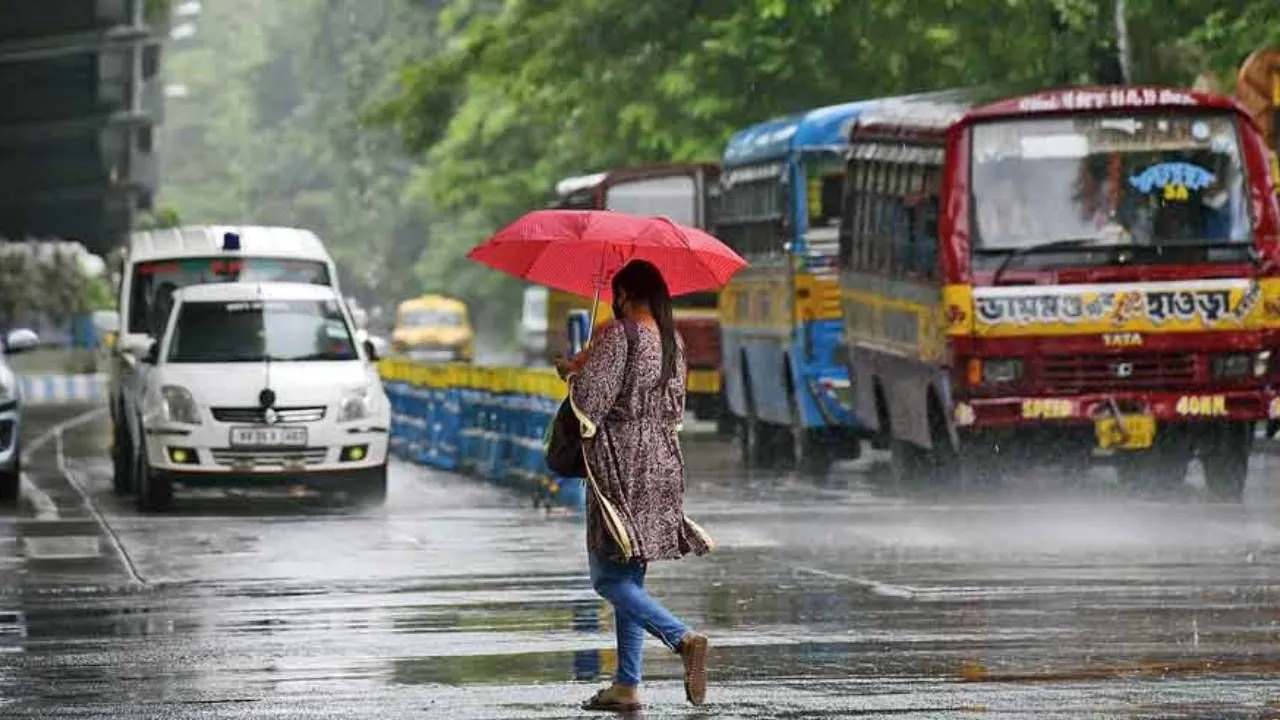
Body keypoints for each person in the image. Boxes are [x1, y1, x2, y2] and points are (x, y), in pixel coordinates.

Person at [557, 259, 714, 712]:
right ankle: (626, 683)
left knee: (607, 577)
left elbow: (590, 405)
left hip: (619, 464)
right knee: (630, 575)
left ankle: (682, 638)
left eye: (615, 294)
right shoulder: (671, 341)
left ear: (624, 293)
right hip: (662, 461)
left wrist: (574, 372)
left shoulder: (620, 335)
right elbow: (674, 406)